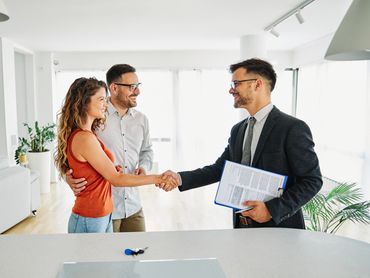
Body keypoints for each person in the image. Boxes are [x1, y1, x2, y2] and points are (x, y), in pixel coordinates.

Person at [161, 58, 322, 229]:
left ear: (257, 84)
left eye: (236, 83)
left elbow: (312, 180)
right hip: (242, 225)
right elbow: (220, 169)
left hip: (279, 228)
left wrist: (271, 210)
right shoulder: (238, 130)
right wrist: (179, 178)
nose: (231, 90)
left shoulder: (292, 128)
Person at [55, 77, 174, 233]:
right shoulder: (84, 138)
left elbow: (98, 173)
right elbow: (116, 180)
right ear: (84, 102)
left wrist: (110, 169)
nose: (106, 104)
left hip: (102, 215)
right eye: (101, 99)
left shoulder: (89, 134)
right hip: (89, 219)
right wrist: (158, 178)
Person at [66, 64, 154, 233]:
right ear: (114, 88)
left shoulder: (142, 120)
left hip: (133, 205)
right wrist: (68, 177)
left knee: (137, 256)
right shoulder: (94, 117)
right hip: (105, 210)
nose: (137, 92)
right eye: (132, 87)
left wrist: (144, 167)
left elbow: (147, 151)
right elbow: (69, 152)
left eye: (138, 86)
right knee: (106, 258)